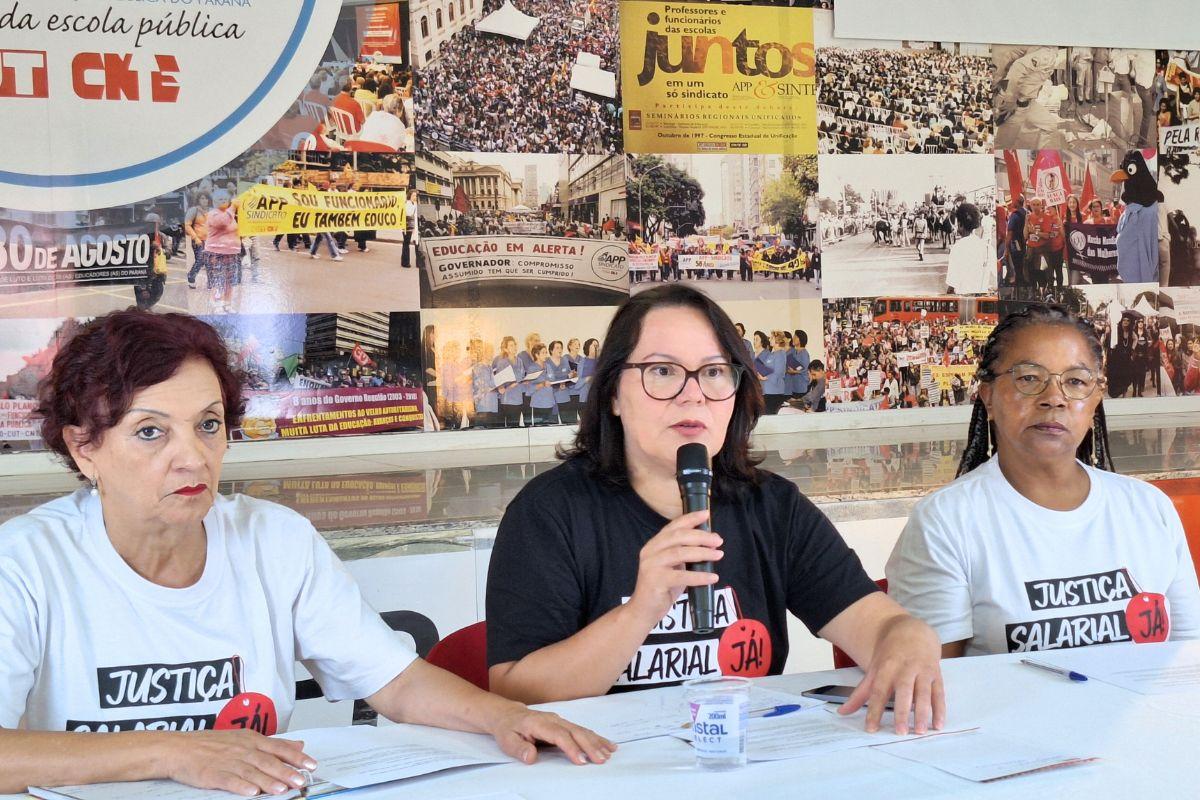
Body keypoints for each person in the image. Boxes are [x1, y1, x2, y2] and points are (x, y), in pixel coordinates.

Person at [0, 310, 614, 795]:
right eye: (150, 431)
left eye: (208, 424)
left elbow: (395, 682)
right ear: (83, 448)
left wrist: (502, 718)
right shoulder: (26, 562)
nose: (191, 458)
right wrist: (174, 752)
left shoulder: (274, 541)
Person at [486, 285, 944, 736]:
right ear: (613, 394)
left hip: (740, 759)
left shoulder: (772, 507)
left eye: (714, 372)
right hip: (604, 765)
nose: (693, 395)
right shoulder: (549, 514)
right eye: (662, 371)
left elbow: (877, 624)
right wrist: (639, 612)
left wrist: (907, 637)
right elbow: (514, 694)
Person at [886, 306, 1200, 657]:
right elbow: (934, 678)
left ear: (1096, 398)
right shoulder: (944, 522)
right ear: (988, 396)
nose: (1054, 398)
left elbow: (1189, 657)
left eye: (1076, 381)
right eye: (1029, 378)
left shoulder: (1149, 508)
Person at [204, 190, 242, 313]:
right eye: (220, 199)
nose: (223, 201)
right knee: (218, 279)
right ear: (214, 202)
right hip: (216, 252)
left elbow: (235, 229)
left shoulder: (230, 214)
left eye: (225, 199)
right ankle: (217, 304)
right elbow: (222, 222)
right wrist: (233, 207)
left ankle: (227, 304)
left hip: (232, 252)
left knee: (230, 280)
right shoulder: (213, 214)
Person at [184, 192, 211, 289]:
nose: (204, 200)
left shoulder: (211, 210)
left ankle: (211, 282)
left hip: (210, 241)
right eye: (202, 198)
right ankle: (191, 277)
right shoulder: (194, 210)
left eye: (206, 198)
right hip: (198, 240)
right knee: (200, 260)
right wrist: (195, 238)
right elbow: (187, 225)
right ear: (198, 200)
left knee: (210, 262)